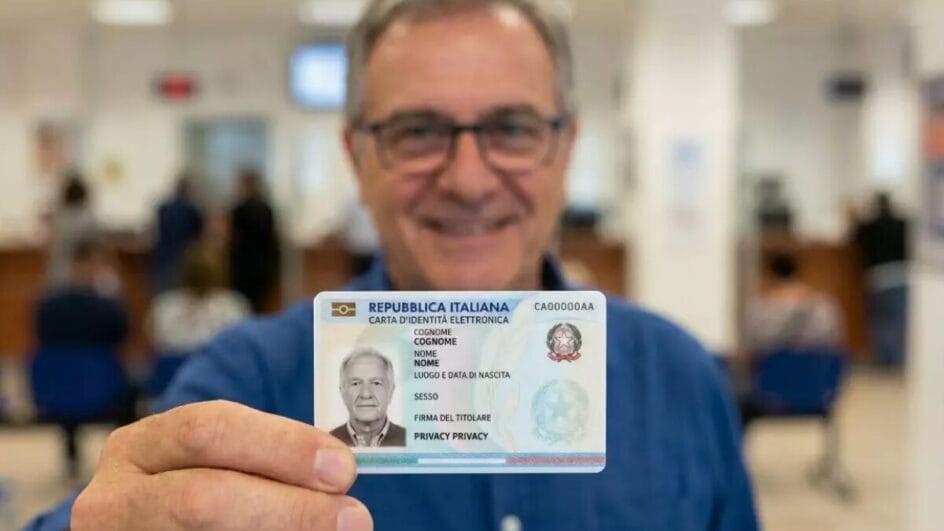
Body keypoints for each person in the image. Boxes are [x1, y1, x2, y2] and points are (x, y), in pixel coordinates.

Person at [30, 1, 757, 529]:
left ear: (565, 151)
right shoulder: (250, 381)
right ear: (357, 157)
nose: (467, 180)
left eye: (511, 128)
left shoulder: (680, 379)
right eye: (417, 132)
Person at [34, 239, 130, 477]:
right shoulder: (107, 306)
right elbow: (122, 334)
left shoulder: (48, 305)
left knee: (69, 375)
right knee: (131, 386)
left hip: (56, 389)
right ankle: (125, 455)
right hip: (101, 385)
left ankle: (71, 452)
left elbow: (41, 337)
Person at [147, 243, 250, 354]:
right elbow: (151, 349)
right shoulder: (164, 304)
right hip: (176, 363)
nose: (202, 270)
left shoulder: (233, 305)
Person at [744, 252, 844, 355]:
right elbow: (836, 340)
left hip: (776, 363)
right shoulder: (824, 303)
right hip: (818, 362)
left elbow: (752, 345)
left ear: (770, 274)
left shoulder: (760, 307)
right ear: (796, 272)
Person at [853, 192, 910, 366]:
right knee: (898, 321)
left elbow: (855, 238)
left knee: (879, 321)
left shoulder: (870, 227)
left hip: (877, 276)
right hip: (900, 275)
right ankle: (898, 359)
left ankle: (883, 359)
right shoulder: (903, 224)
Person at [330, 349, 406, 447]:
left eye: (376, 383)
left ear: (390, 392)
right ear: (342, 393)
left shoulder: (411, 441)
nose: (366, 394)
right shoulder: (327, 441)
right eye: (355, 383)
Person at [229, 168, 280, 313]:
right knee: (259, 306)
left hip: (243, 267)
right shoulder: (266, 209)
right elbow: (273, 241)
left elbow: (233, 239)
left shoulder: (238, 211)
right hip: (262, 267)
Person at [151, 173, 204, 293]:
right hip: (184, 259)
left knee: (164, 295)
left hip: (163, 258)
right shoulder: (192, 211)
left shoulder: (163, 208)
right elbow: (198, 236)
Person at [45, 173, 97, 286]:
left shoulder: (58, 218)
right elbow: (90, 252)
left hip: (56, 276)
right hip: (79, 277)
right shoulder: (88, 220)